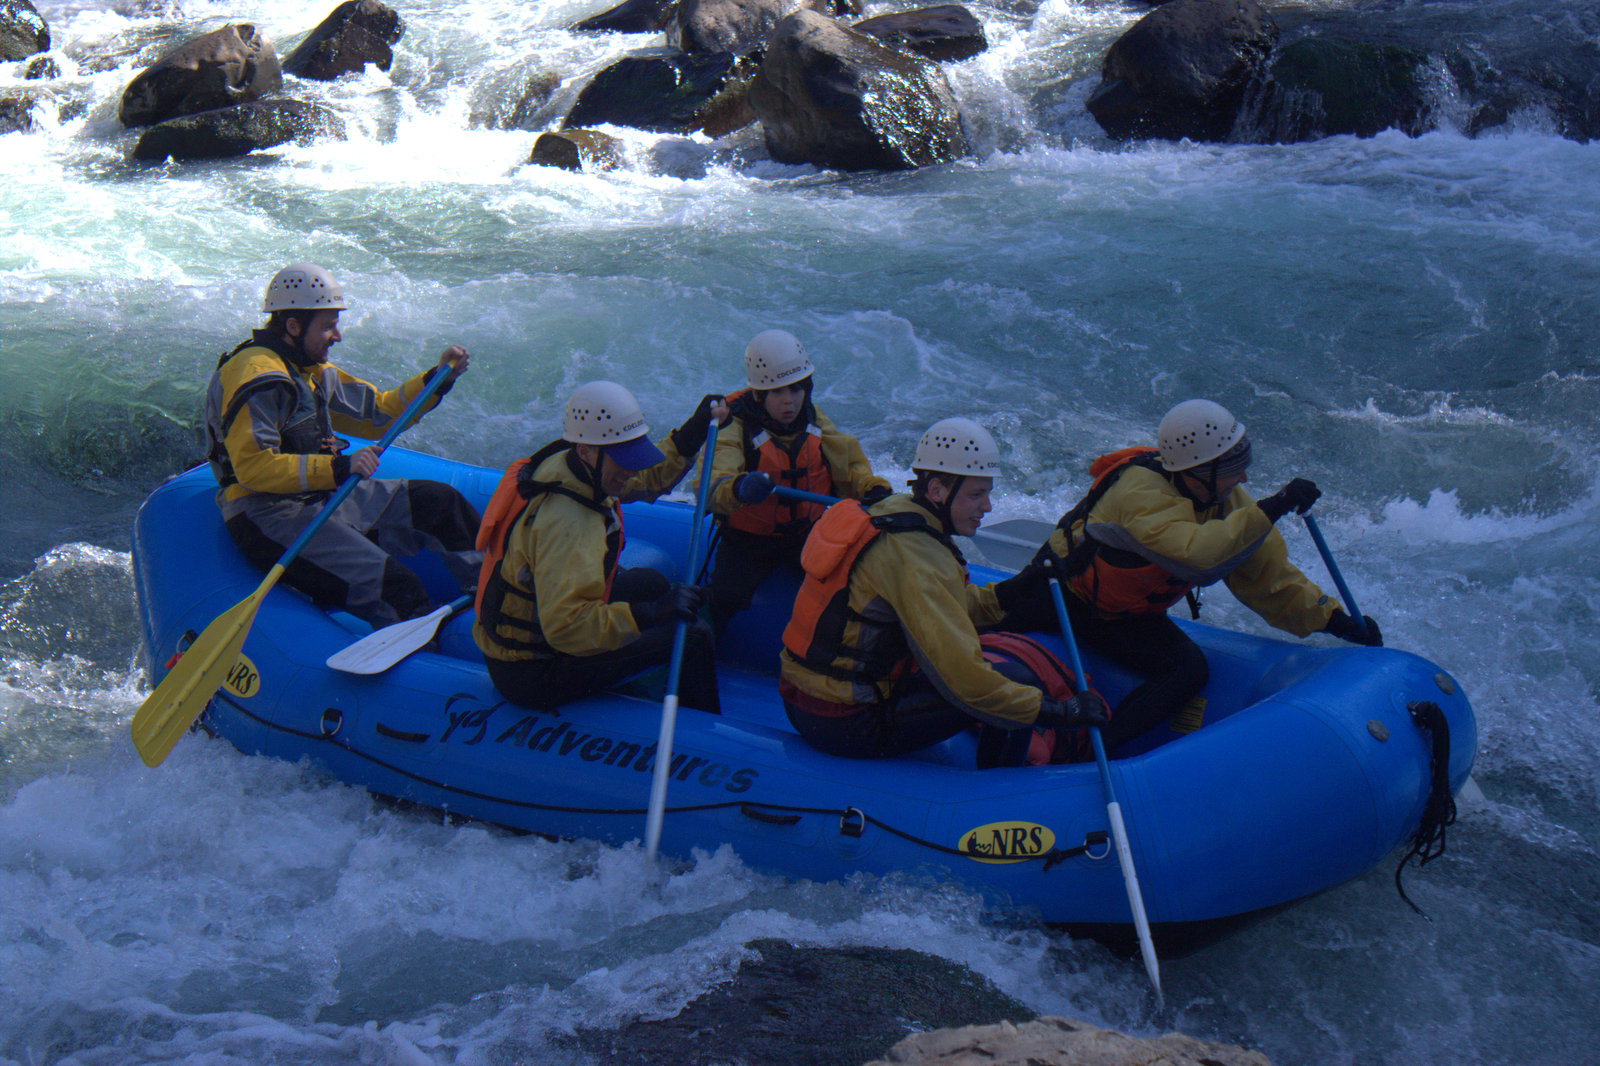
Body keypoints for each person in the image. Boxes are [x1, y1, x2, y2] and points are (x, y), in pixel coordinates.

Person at [991, 398, 1383, 751]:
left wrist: (1335, 621)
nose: (1243, 478)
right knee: (978, 631)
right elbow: (1199, 557)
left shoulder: (1221, 497)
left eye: (1243, 462)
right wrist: (1276, 505)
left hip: (1121, 617)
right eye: (1232, 468)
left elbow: (1268, 576)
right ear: (1197, 470)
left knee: (1188, 671)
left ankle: (1092, 755)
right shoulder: (1139, 493)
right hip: (1059, 594)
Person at [778, 417, 1108, 768]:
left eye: (987, 493)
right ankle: (997, 786)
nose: (987, 507)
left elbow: (946, 604)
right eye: (976, 495)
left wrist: (1020, 586)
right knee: (1020, 683)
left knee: (1011, 683)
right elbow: (965, 680)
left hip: (802, 699)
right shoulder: (917, 556)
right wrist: (1060, 712)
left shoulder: (892, 513)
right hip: (845, 721)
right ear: (936, 490)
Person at [203, 262, 482, 629]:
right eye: (327, 326)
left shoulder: (309, 370)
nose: (337, 335)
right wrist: (338, 467)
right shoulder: (261, 378)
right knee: (399, 590)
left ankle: (494, 607)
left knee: (442, 506)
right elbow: (253, 469)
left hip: (319, 497)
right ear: (293, 326)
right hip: (267, 515)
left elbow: (380, 413)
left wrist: (436, 379)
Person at [473, 381, 729, 713]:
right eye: (623, 458)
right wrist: (648, 614)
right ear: (585, 451)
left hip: (546, 628)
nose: (630, 468)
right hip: (535, 669)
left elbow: (644, 478)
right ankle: (698, 734)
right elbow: (566, 629)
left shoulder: (571, 467)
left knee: (652, 583)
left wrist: (691, 435)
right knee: (694, 636)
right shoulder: (568, 525)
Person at [706, 329, 891, 631]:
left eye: (796, 389)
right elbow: (714, 482)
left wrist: (872, 488)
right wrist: (738, 487)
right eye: (778, 392)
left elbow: (847, 464)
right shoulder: (732, 423)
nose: (789, 402)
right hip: (748, 541)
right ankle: (699, 640)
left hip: (806, 533)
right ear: (759, 394)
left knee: (849, 586)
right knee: (726, 595)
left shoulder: (812, 417)